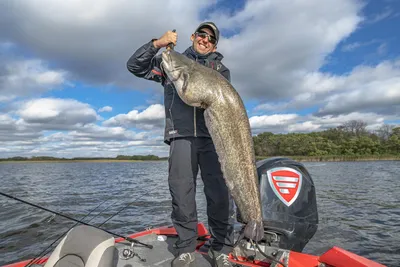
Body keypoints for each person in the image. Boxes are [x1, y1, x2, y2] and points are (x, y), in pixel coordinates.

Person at [127, 22, 235, 267]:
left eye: (210, 38)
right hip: (180, 136)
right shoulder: (170, 61)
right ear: (193, 36)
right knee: (182, 194)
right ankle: (186, 247)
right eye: (201, 34)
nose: (205, 39)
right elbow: (134, 66)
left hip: (213, 140)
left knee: (219, 196)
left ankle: (221, 248)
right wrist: (158, 43)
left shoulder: (221, 70)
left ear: (215, 44)